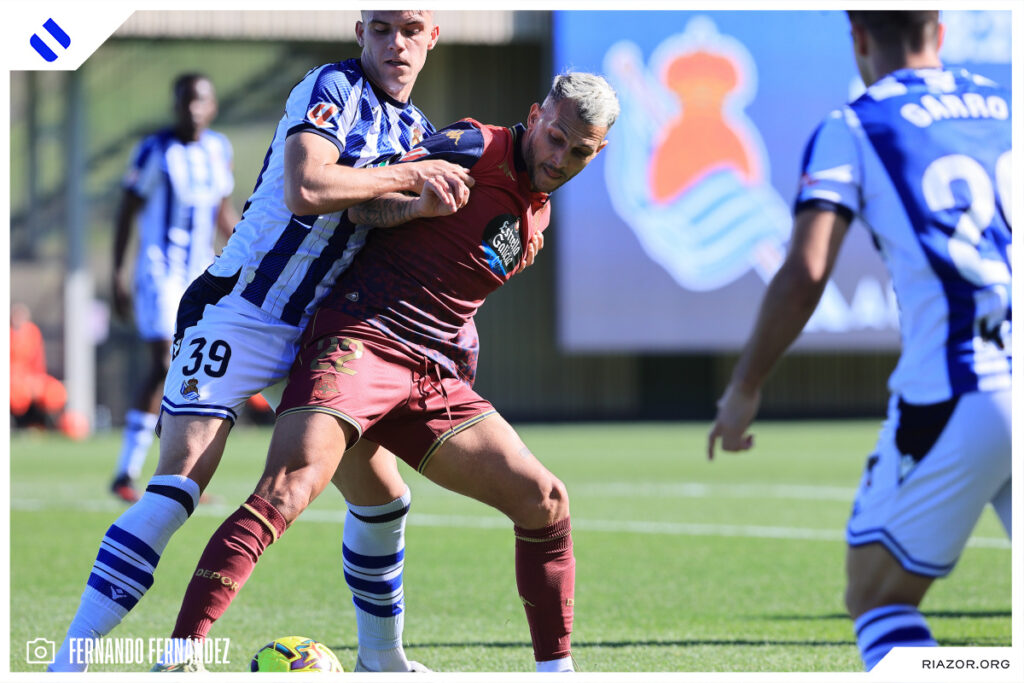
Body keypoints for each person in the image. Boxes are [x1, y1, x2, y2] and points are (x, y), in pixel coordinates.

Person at [50, 10, 473, 673]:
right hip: (238, 312)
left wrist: (423, 208)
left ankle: (381, 658)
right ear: (359, 31)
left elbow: (370, 212)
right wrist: (409, 178)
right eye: (382, 28)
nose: (396, 43)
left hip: (319, 330)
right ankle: (67, 664)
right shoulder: (331, 87)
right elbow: (307, 189)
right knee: (175, 494)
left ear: (432, 38)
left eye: (411, 29)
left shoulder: (417, 131)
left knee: (384, 499)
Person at [161, 72, 618, 673]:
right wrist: (417, 203)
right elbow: (365, 204)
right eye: (555, 138)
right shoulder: (474, 144)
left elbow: (455, 283)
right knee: (289, 488)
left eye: (579, 152)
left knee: (545, 500)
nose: (560, 158)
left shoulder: (539, 215)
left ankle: (553, 673)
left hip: (430, 376)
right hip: (361, 340)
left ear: (597, 152)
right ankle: (178, 658)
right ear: (535, 116)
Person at [708, 10, 1010, 671]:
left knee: (876, 597)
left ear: (860, 39)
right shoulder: (1007, 105)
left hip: (967, 387)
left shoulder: (855, 125)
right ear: (940, 31)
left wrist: (745, 386)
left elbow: (805, 273)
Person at [109, 73, 238, 503]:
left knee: (194, 368)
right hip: (159, 272)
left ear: (213, 106)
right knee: (166, 362)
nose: (194, 109)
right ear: (176, 105)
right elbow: (126, 210)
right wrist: (117, 273)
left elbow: (222, 211)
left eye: (202, 101)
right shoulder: (155, 150)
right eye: (187, 101)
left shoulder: (219, 149)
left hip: (201, 274)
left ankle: (180, 475)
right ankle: (126, 471)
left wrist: (245, 255)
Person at [10, 302, 67, 428]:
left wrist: (35, 381)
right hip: (13, 379)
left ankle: (48, 425)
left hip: (31, 377)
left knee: (54, 391)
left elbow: (38, 362)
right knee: (18, 394)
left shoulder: (33, 333)